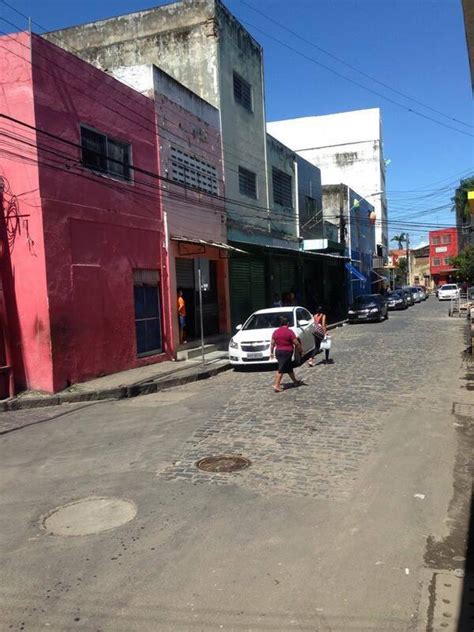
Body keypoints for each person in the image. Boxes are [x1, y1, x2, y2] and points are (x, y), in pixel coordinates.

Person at [270, 316, 303, 393]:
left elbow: (272, 344)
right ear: (287, 323)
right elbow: (296, 343)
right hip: (286, 352)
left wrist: (271, 352)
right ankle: (277, 385)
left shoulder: (276, 332)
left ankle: (295, 381)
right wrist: (300, 350)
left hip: (278, 351)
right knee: (281, 368)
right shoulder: (290, 332)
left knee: (288, 367)